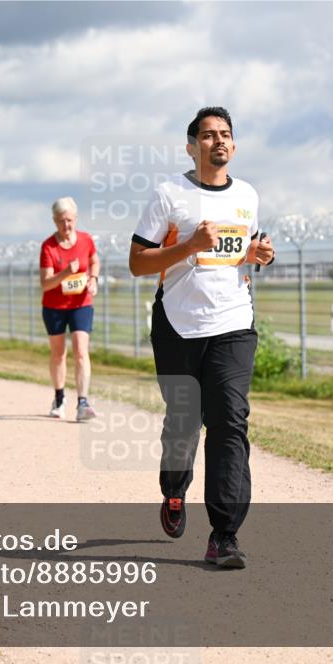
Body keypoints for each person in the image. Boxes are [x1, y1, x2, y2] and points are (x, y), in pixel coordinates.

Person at [128, 107, 275, 569]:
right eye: (208, 135)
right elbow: (137, 262)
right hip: (177, 323)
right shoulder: (169, 194)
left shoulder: (247, 195)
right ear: (191, 146)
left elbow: (242, 250)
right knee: (184, 420)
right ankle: (174, 488)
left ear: (234, 145)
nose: (219, 142)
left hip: (233, 321)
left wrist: (257, 254)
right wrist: (189, 246)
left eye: (226, 135)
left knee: (230, 421)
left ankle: (224, 535)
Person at [39, 196, 100, 421]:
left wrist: (93, 278)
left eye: (70, 220)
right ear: (55, 221)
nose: (67, 225)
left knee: (81, 350)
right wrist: (65, 273)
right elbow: (45, 283)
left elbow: (95, 261)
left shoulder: (85, 240)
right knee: (58, 353)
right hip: (54, 306)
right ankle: (59, 397)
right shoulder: (48, 247)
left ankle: (83, 402)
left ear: (76, 219)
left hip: (81, 303)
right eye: (62, 221)